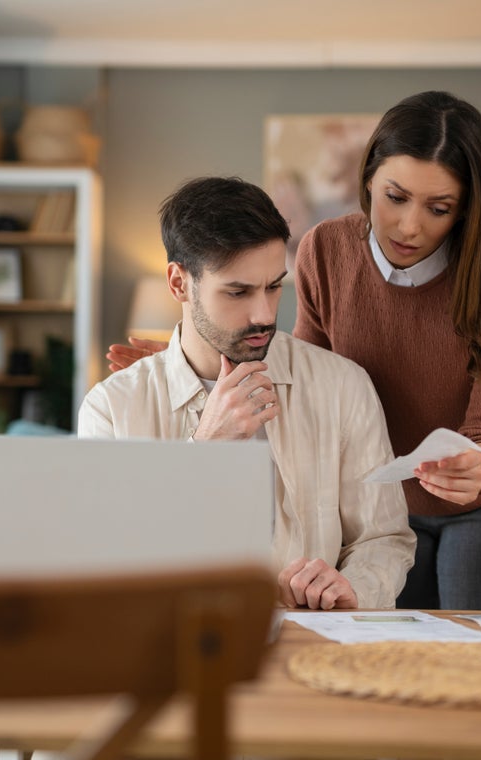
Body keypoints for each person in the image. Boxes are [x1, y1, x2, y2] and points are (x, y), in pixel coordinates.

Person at [106, 92, 481, 612]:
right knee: (388, 656)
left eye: (439, 208)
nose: (410, 226)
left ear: (467, 207)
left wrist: (479, 465)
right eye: (396, 197)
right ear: (368, 178)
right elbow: (304, 369)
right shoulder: (325, 249)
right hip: (381, 490)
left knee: (480, 656)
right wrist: (189, 360)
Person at [80, 176, 416, 610]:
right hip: (172, 649)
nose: (264, 314)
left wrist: (355, 589)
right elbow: (106, 565)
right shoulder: (111, 408)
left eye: (274, 286)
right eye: (238, 292)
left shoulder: (343, 386)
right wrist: (205, 448)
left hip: (313, 644)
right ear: (179, 283)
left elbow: (384, 538)